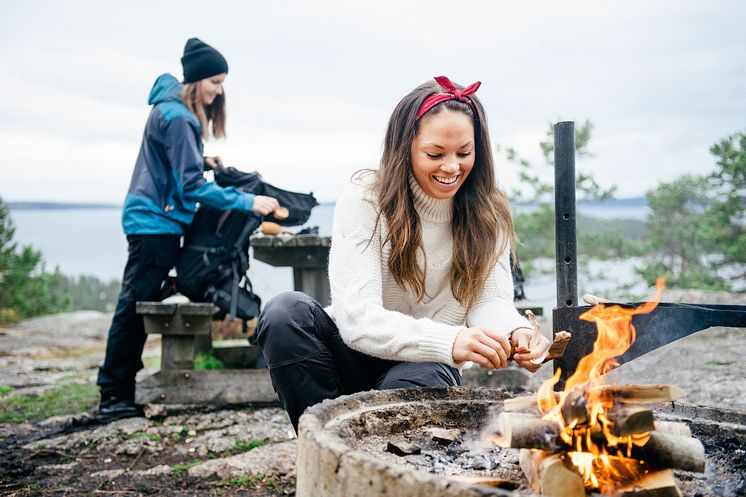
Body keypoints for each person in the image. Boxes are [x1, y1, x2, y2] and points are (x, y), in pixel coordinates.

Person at [256, 76, 551, 432]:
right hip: (348, 357)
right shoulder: (367, 197)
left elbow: (489, 301)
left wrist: (516, 331)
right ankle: (324, 448)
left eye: (464, 152)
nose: (452, 167)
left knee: (425, 375)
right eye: (435, 154)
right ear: (405, 146)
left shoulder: (489, 212)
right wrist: (452, 339)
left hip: (423, 367)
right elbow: (356, 319)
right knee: (284, 313)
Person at [97, 38, 279, 422]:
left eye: (222, 83)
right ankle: (114, 396)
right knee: (134, 307)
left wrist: (200, 159)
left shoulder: (167, 110)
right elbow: (191, 187)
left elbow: (175, 166)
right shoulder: (180, 118)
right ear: (195, 80)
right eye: (215, 81)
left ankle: (117, 390)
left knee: (137, 301)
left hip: (152, 220)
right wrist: (249, 202)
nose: (218, 91)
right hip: (155, 223)